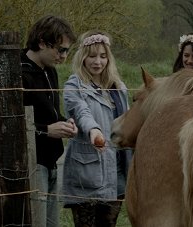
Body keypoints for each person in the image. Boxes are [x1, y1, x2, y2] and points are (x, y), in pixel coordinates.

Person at [62, 30, 132, 227]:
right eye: (92, 56)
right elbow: (81, 111)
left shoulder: (119, 88)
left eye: (103, 56)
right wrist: (94, 130)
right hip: (89, 171)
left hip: (117, 170)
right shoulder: (73, 86)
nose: (97, 62)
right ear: (82, 57)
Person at [21, 15, 78, 227]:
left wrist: (66, 123)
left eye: (67, 51)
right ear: (42, 42)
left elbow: (50, 114)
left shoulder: (50, 71)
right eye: (60, 50)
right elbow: (8, 127)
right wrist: (47, 131)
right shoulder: (18, 73)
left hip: (52, 161)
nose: (64, 57)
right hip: (32, 165)